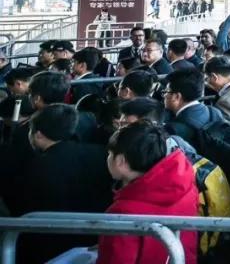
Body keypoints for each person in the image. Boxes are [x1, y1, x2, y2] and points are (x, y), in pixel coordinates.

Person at [18, 104, 113, 262]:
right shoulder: (101, 154)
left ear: (38, 134)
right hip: (94, 240)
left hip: (49, 245)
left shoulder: (35, 166)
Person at [99, 122, 199, 264]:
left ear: (121, 161)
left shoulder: (122, 213)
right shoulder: (186, 184)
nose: (108, 157)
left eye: (110, 154)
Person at [162, 68, 222, 146]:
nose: (164, 95)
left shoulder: (173, 129)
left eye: (166, 91)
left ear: (177, 96)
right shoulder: (214, 112)